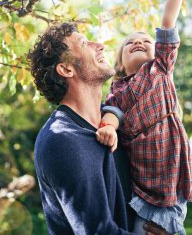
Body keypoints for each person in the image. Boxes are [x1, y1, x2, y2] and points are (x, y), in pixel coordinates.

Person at [27, 22, 169, 235]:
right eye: (85, 43)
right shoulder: (61, 140)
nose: (100, 45)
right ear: (66, 69)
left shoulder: (116, 123)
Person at [97, 0, 192, 235]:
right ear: (119, 62)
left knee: (170, 227)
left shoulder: (160, 69)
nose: (139, 41)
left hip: (173, 181)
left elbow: (167, 24)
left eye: (145, 40)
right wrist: (108, 128)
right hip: (143, 189)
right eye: (131, 42)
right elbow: (112, 112)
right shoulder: (117, 89)